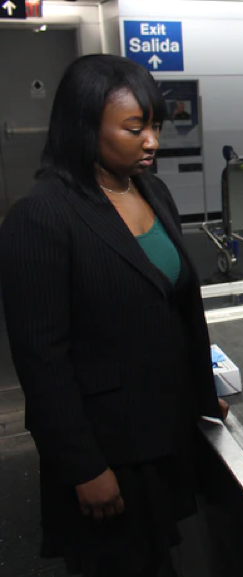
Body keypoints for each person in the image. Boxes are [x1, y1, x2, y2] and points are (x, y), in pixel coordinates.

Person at [0, 54, 227, 576]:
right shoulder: (42, 216)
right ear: (83, 127)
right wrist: (83, 466)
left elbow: (176, 308)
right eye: (134, 128)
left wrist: (200, 392)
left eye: (155, 126)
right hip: (108, 452)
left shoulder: (152, 190)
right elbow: (42, 360)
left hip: (165, 433)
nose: (151, 141)